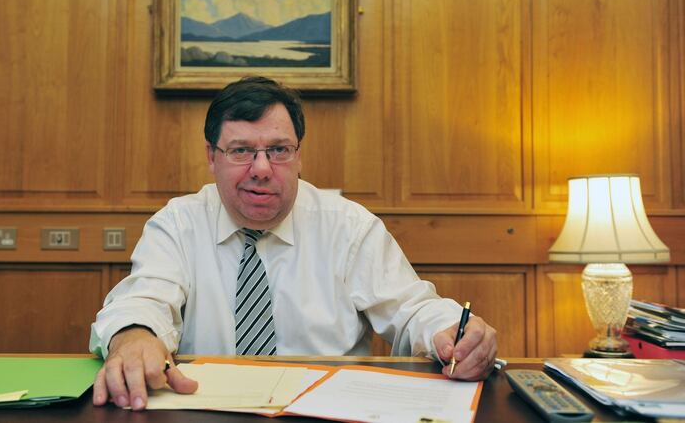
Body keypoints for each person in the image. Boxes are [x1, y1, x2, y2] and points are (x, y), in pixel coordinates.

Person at [90, 76, 498, 411]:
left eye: (279, 150)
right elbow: (144, 299)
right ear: (212, 157)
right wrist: (135, 334)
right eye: (241, 151)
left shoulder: (348, 226)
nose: (262, 169)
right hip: (205, 410)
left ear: (299, 156)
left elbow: (413, 310)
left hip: (329, 413)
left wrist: (450, 332)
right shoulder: (178, 224)